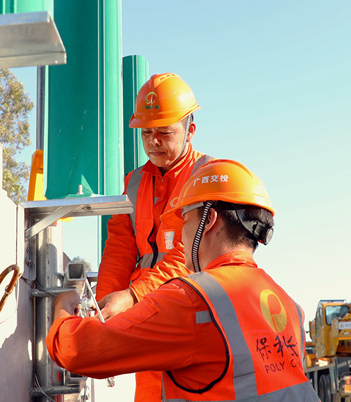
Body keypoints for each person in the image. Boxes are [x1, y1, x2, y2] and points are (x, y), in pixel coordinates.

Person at [48, 159, 318, 401]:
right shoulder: (290, 307)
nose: (181, 238)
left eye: (184, 223)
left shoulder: (191, 301)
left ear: (209, 220)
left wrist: (62, 307)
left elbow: (76, 351)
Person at [96, 72, 211, 400]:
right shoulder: (133, 183)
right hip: (149, 316)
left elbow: (191, 254)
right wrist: (103, 310)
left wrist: (131, 297)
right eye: (146, 133)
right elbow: (119, 247)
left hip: (196, 318)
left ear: (190, 130)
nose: (153, 142)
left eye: (164, 132)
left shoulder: (208, 176)